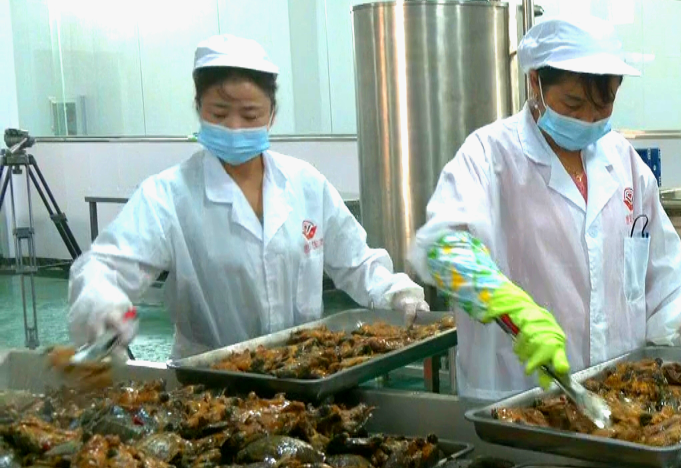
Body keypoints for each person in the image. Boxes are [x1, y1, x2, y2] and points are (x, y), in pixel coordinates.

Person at [410, 16, 681, 400]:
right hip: (514, 400)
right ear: (535, 84)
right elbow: (442, 248)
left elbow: (660, 285)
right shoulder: (489, 156)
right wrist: (510, 307)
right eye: (573, 103)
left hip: (616, 402)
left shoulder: (626, 165)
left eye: (604, 104)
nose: (588, 118)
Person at [68, 34, 429, 358]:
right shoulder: (168, 196)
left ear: (272, 115)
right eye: (219, 113)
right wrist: (102, 302)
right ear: (199, 109)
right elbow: (104, 266)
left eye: (250, 114)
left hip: (303, 370)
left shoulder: (306, 184)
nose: (234, 127)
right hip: (207, 383)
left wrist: (393, 291)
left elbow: (357, 263)